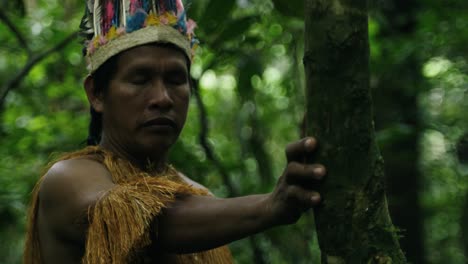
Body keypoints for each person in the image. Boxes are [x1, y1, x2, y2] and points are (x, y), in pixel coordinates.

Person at [23, 0, 326, 263]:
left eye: (175, 80)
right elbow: (143, 221)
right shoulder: (67, 179)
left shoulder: (198, 196)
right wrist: (271, 205)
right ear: (97, 94)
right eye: (140, 79)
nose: (163, 98)